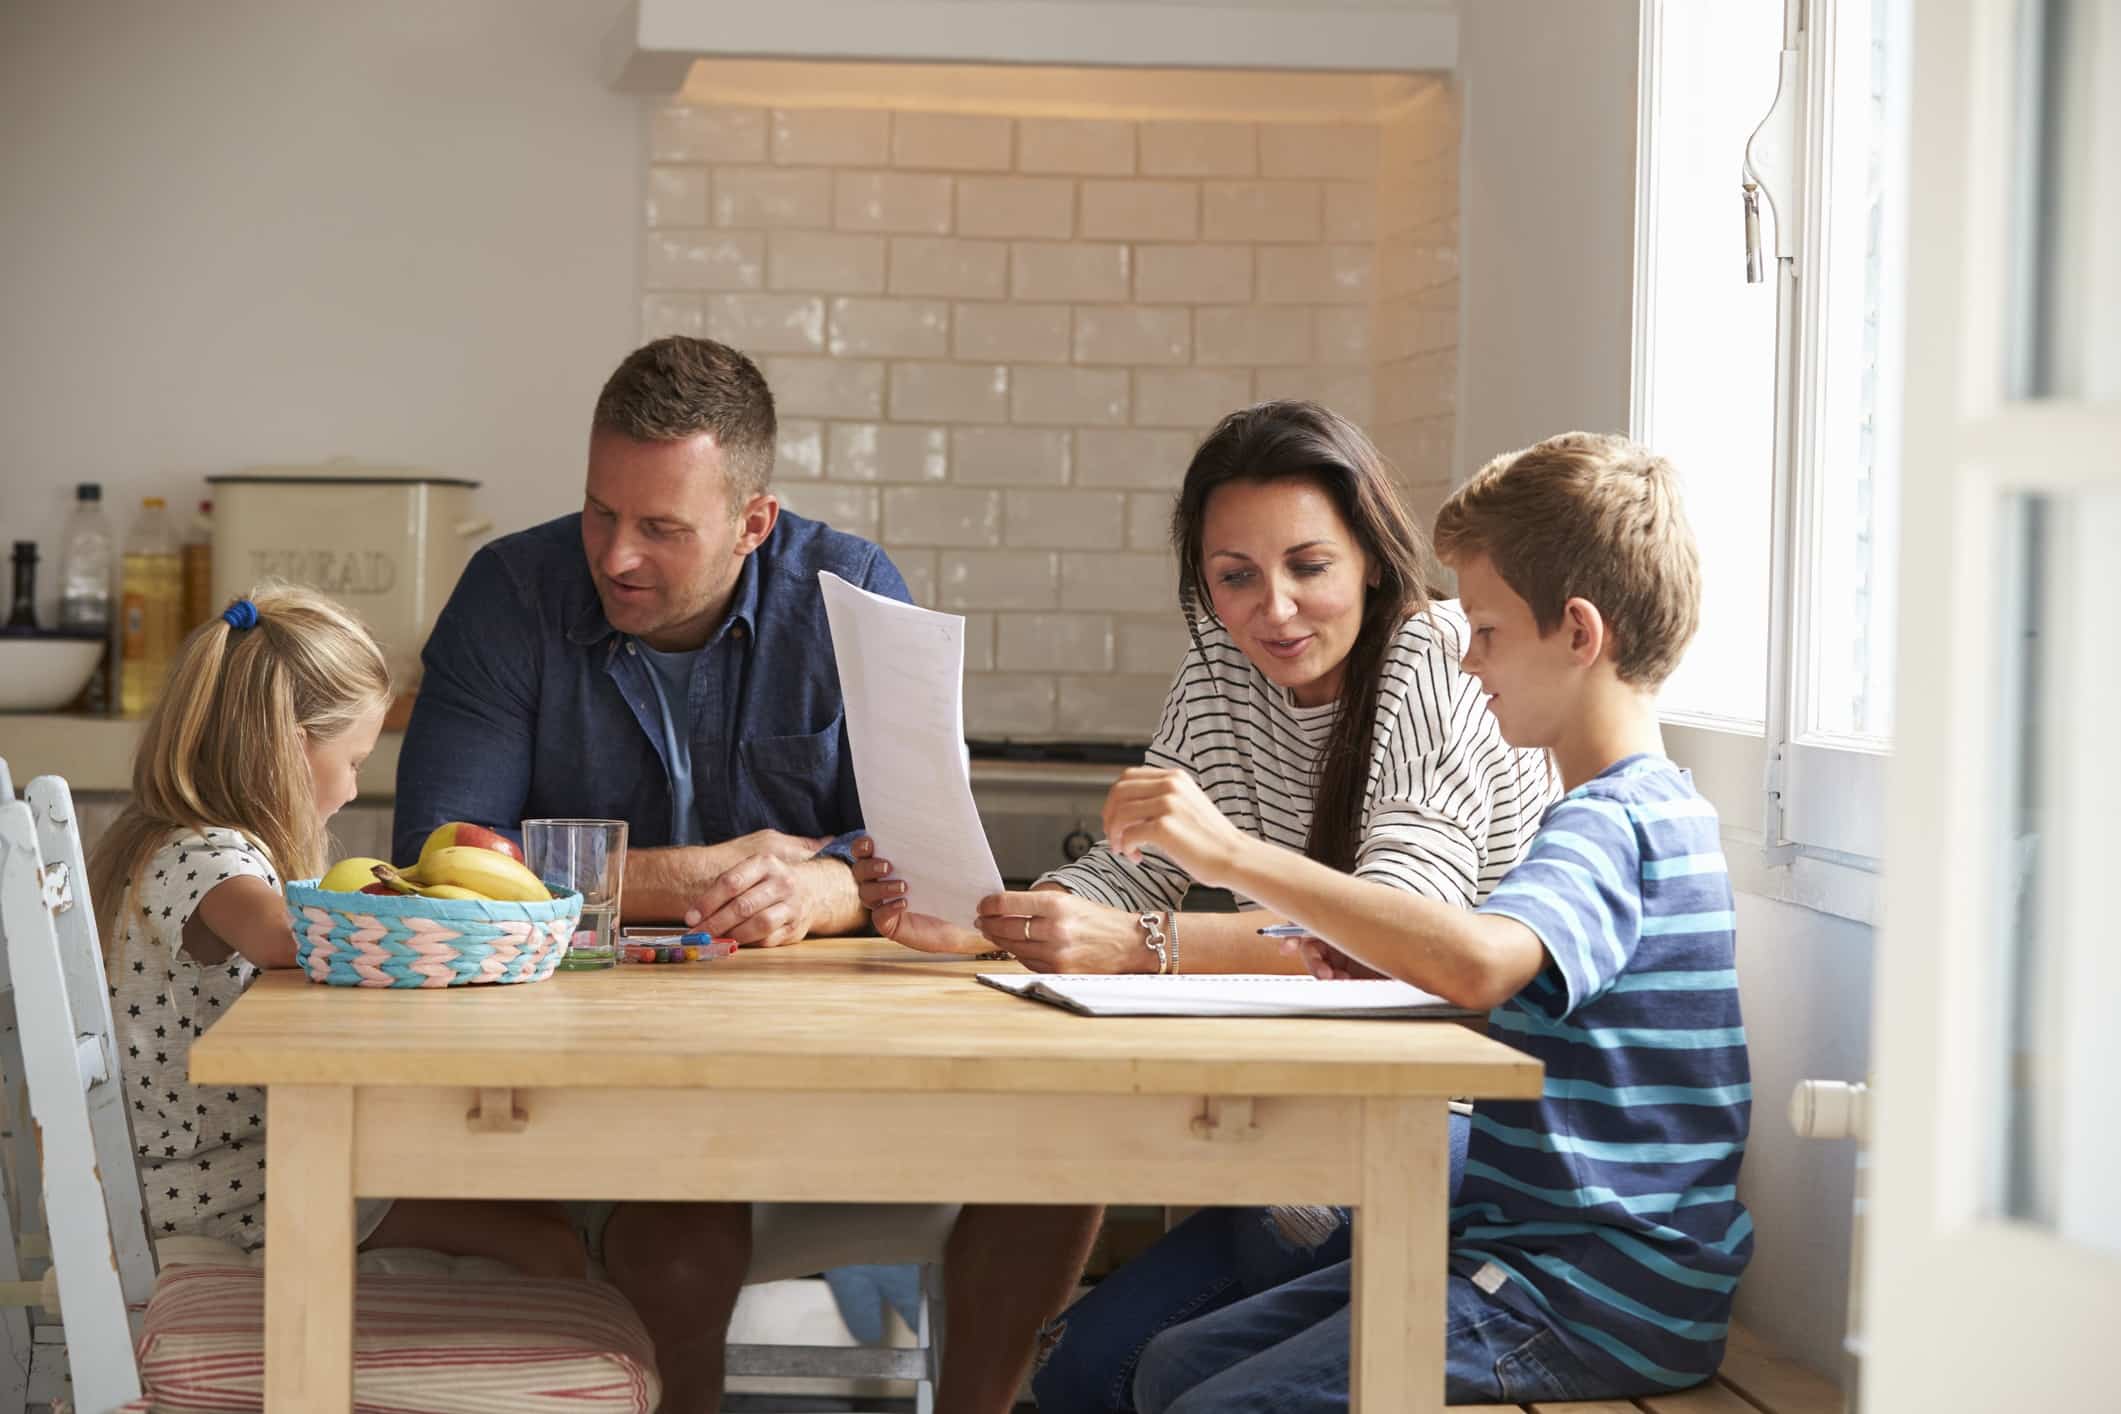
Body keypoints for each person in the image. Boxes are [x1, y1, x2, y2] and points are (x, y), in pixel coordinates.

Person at [393, 335, 1098, 1414]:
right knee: (677, 1236)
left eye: (661, 528)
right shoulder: (511, 595)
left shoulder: (853, 591)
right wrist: (697, 876)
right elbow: (440, 861)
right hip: (595, 1079)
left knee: (1061, 1157)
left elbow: (937, 867)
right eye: (599, 512)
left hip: (835, 1072)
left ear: (753, 522)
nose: (616, 555)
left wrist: (831, 885)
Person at [854, 400, 1557, 1408]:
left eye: (1308, 566)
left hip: (1447, 1134)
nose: (1273, 608)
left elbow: (1394, 943)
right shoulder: (1221, 672)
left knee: (1162, 1377)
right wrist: (998, 916)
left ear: (1368, 555)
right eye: (1235, 577)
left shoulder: (1434, 660)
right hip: (1309, 1125)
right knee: (1082, 1375)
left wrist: (1135, 945)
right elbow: (1129, 872)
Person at [1106, 432, 1752, 1411]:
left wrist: (1229, 855)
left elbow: (1482, 962)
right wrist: (1385, 969)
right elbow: (1548, 1020)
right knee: (1171, 1365)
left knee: (1212, 1404)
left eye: (1486, 629)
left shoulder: (1616, 823)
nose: (1465, 652)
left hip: (1587, 1295)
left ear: (1579, 634)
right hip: (1526, 1258)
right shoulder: (1632, 812)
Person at [87, 584, 584, 1277]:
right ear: (289, 750)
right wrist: (433, 911)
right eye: (352, 761)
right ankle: (459, 1379)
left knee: (538, 1211)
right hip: (217, 1194)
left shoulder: (166, 835)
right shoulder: (205, 855)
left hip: (224, 1171)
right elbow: (284, 939)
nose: (352, 789)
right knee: (550, 1245)